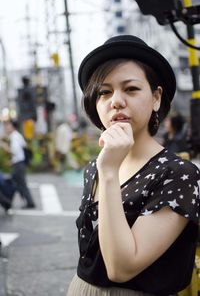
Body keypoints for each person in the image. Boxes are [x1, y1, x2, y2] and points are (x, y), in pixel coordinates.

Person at [67, 35, 200, 296]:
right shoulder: (95, 166)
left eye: (131, 89)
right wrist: (105, 167)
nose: (116, 100)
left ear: (156, 98)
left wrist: (109, 172)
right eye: (104, 92)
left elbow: (121, 268)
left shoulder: (178, 174)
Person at [1, 120, 35, 209]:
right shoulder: (17, 135)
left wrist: (5, 147)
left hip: (18, 165)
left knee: (17, 184)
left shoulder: (14, 136)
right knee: (18, 184)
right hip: (19, 164)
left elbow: (15, 151)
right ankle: (26, 201)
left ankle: (28, 202)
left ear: (12, 126)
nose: (6, 128)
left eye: (7, 125)